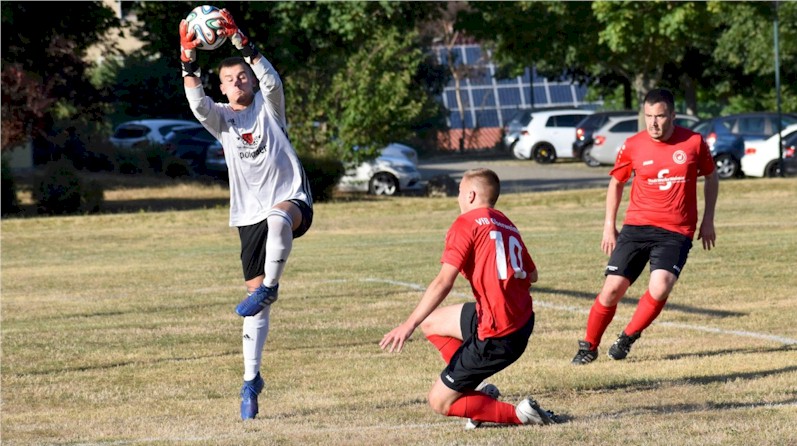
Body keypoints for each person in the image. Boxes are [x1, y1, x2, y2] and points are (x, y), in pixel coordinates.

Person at [179, 10, 314, 419]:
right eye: (229, 80)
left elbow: (272, 79)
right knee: (256, 308)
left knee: (278, 220)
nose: (237, 83)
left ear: (252, 82)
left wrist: (241, 40)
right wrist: (187, 57)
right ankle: (250, 379)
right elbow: (195, 101)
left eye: (242, 78)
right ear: (220, 86)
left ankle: (270, 286)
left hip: (292, 199)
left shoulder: (270, 106)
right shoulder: (222, 120)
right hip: (246, 216)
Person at [380, 168, 559, 429]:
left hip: (497, 334)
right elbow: (532, 275)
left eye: (460, 192)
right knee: (432, 323)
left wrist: (408, 325)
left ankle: (521, 415)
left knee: (439, 402)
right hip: (517, 321)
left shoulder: (465, 224)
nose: (458, 197)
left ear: (472, 195)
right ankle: (475, 389)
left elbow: (444, 281)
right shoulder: (506, 223)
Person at [571, 88, 718, 365]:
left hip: (676, 231)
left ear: (673, 115)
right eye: (649, 116)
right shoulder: (633, 144)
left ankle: (627, 337)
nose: (653, 123)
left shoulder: (694, 142)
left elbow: (711, 177)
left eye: (660, 116)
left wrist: (708, 219)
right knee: (612, 288)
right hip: (637, 226)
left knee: (661, 286)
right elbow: (616, 183)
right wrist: (608, 225)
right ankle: (588, 346)